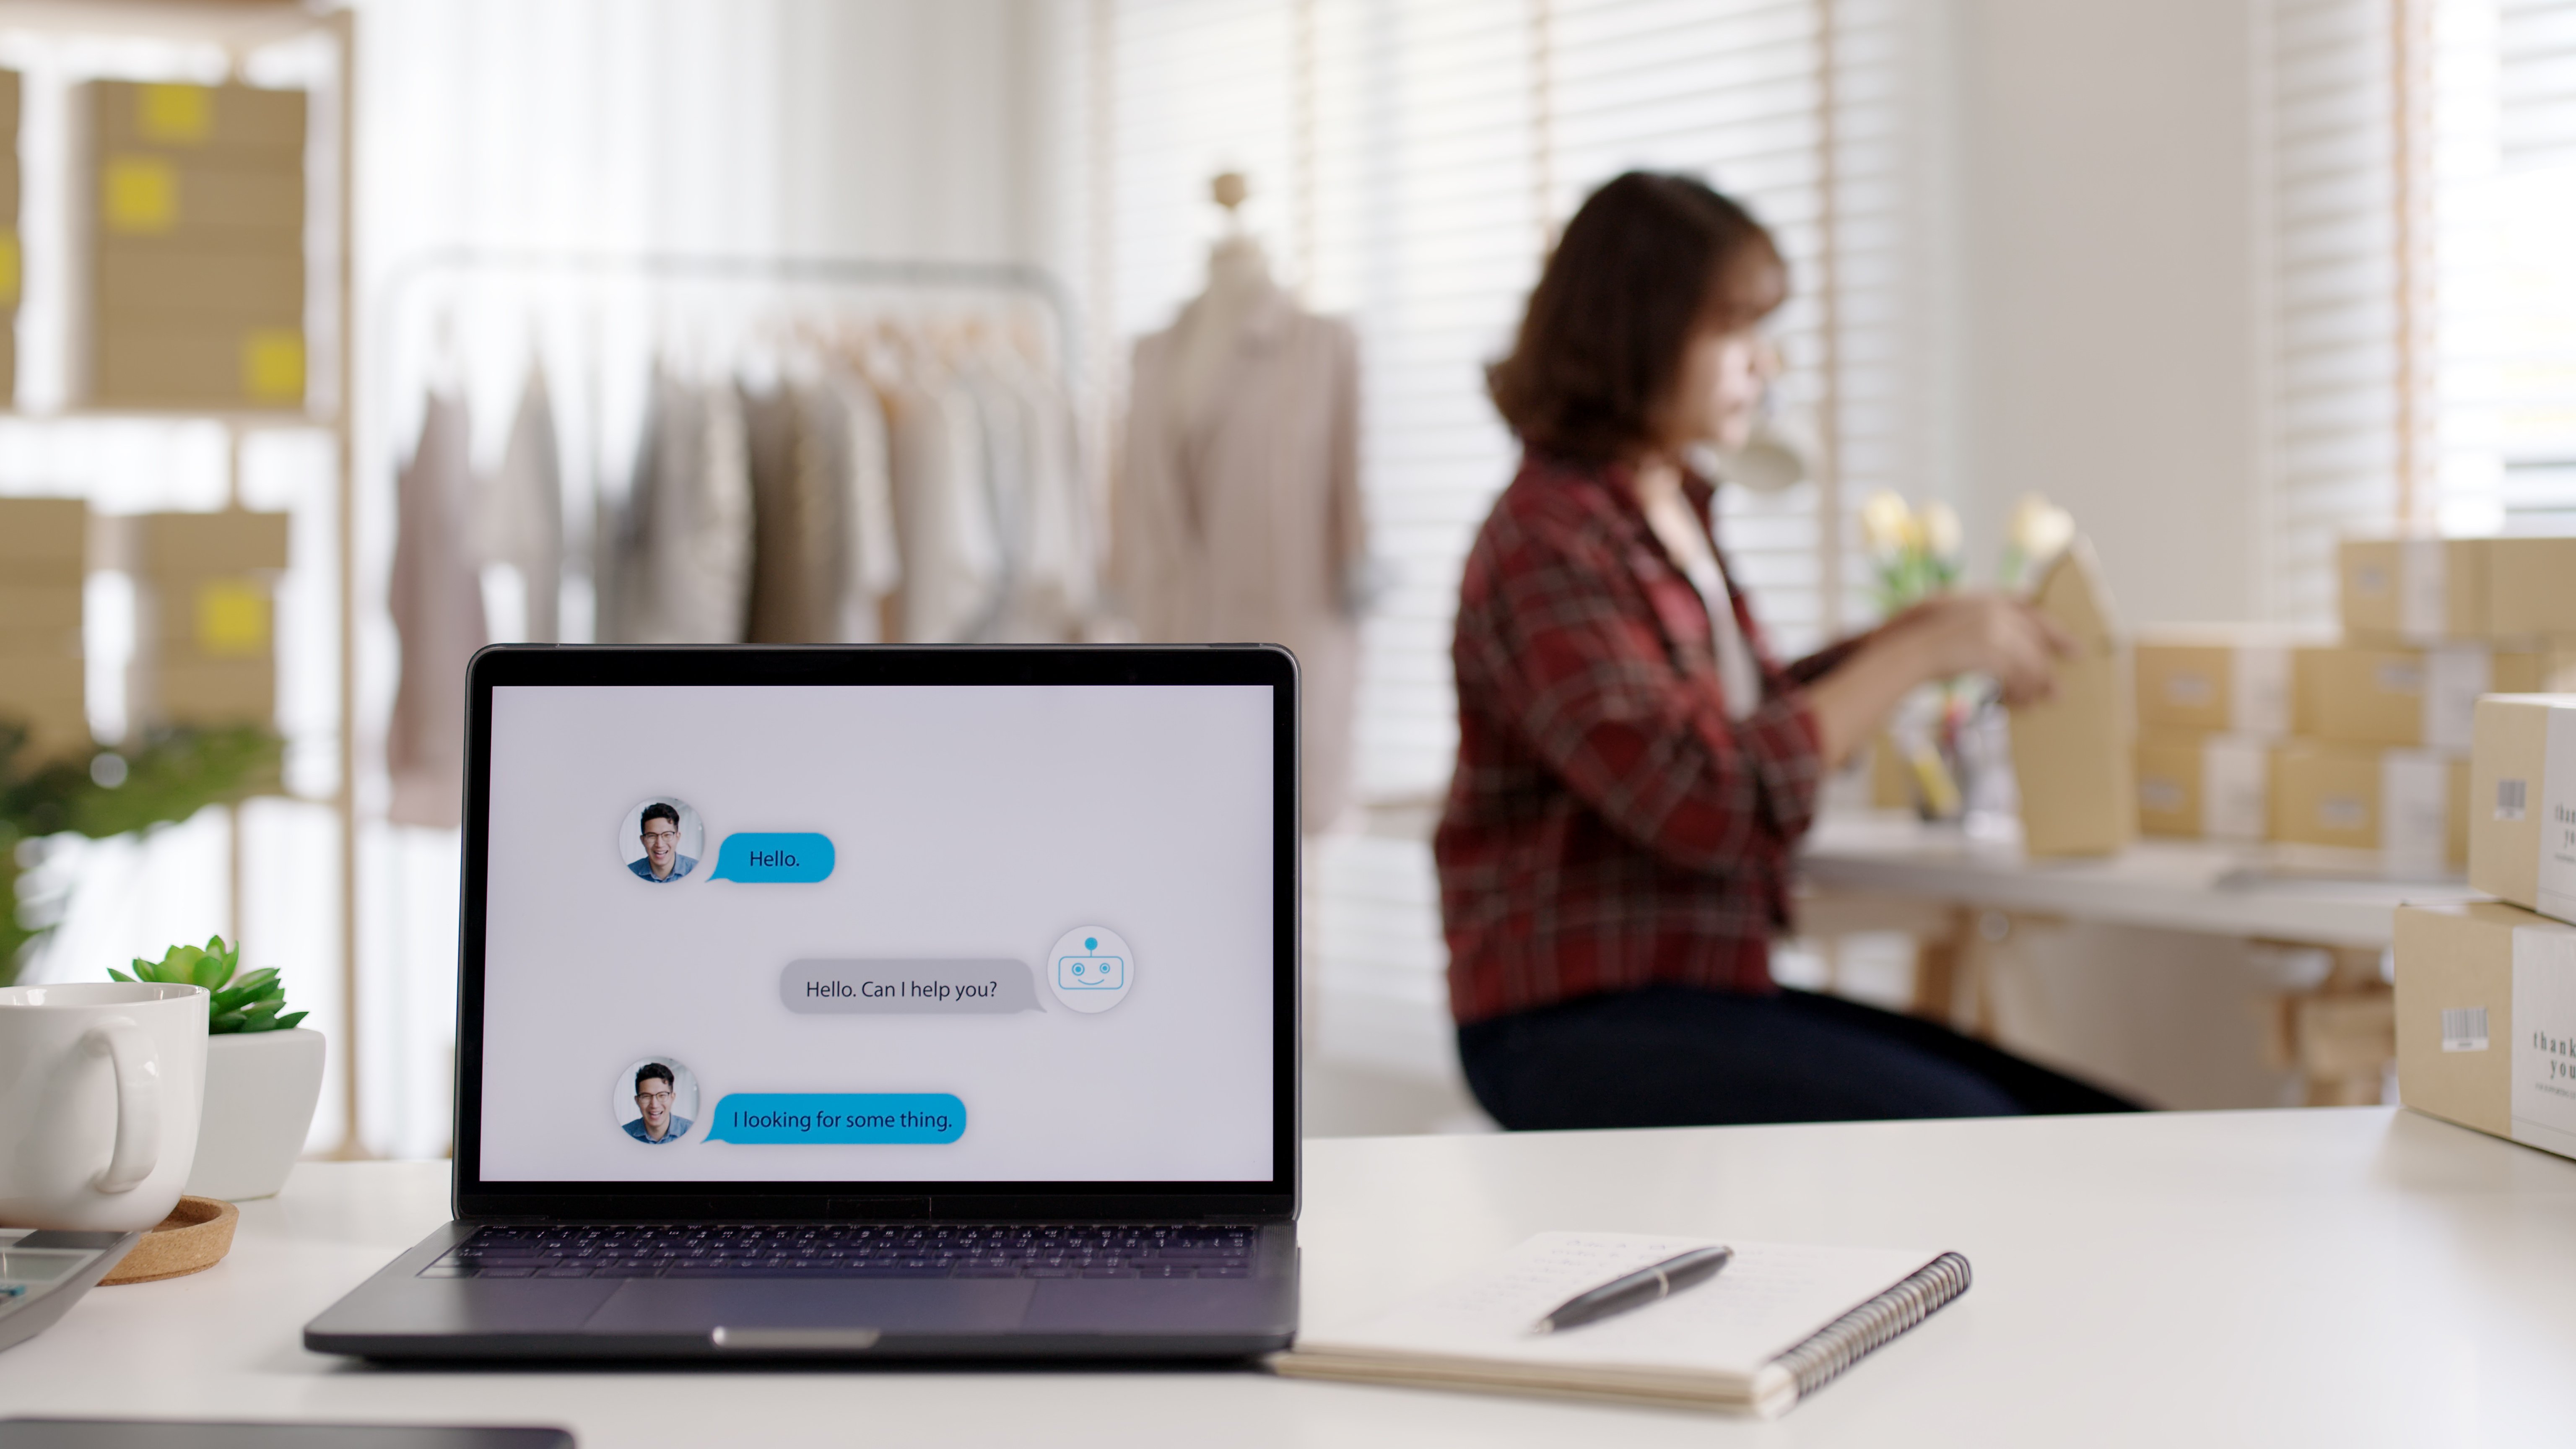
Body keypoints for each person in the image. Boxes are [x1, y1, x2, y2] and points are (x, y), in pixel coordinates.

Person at [1439, 171, 2139, 1130]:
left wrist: (1910, 637)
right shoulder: (1546, 538)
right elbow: (1702, 795)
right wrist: (1912, 655)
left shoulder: (1664, 508)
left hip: (1691, 989)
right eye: (1732, 332)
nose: (1763, 366)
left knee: (2095, 1121)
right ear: (1634, 332)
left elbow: (1739, 721)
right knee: (2007, 1141)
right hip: (1570, 1019)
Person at [628, 802, 696, 883]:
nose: (660, 844)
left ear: (678, 837)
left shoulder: (697, 871)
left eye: (667, 835)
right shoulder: (628, 874)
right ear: (643, 840)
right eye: (652, 836)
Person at [624, 1062, 691, 1143]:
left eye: (662, 1095)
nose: (654, 1105)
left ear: (672, 1098)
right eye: (646, 1096)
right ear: (637, 1101)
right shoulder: (623, 1136)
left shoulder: (692, 1132)